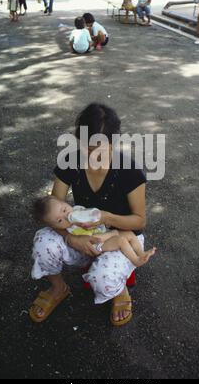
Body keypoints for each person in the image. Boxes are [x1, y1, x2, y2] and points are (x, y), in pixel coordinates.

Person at [29, 103, 148, 326]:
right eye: (87, 149)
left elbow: (139, 221)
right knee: (43, 241)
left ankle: (119, 290)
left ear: (114, 143)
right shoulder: (70, 161)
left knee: (104, 279)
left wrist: (105, 217)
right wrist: (71, 237)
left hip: (121, 239)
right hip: (81, 235)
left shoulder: (130, 171)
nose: (93, 158)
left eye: (101, 151)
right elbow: (53, 212)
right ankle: (58, 288)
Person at [33, 196, 156, 267]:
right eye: (59, 220)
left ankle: (141, 252)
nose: (66, 216)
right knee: (121, 241)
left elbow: (95, 216)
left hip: (103, 232)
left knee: (129, 233)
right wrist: (111, 234)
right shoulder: (70, 229)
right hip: (96, 244)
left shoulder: (77, 210)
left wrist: (102, 220)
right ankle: (136, 260)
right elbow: (88, 240)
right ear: (54, 226)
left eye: (64, 209)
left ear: (66, 203)